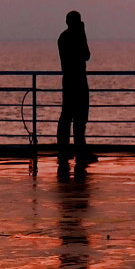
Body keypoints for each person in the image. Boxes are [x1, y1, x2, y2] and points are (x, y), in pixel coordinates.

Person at [57, 11, 95, 165]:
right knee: (79, 117)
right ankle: (80, 150)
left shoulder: (63, 37)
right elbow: (86, 54)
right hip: (78, 79)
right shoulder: (77, 37)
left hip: (68, 80)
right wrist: (83, 33)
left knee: (66, 116)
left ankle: (64, 150)